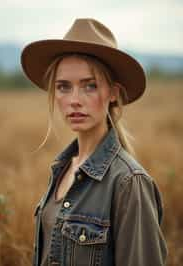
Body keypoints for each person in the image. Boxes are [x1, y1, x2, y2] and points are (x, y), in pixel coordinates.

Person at [21, 18, 168, 266]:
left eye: (89, 86)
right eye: (64, 86)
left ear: (113, 93)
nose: (74, 100)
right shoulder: (62, 169)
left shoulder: (129, 183)